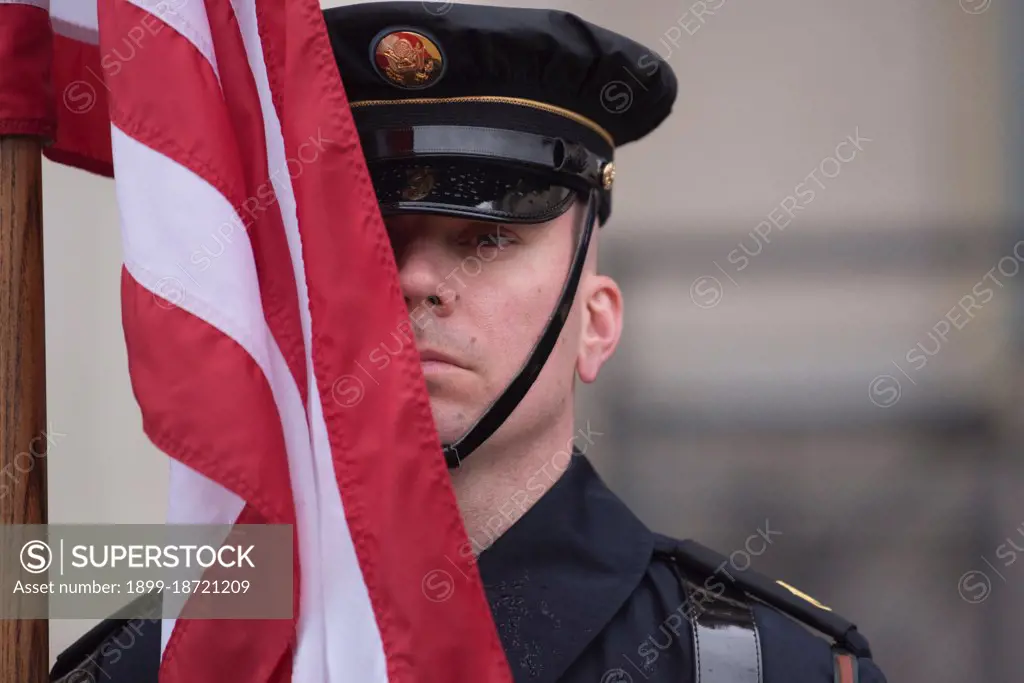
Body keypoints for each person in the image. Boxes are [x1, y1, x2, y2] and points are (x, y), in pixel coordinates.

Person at [51, 3, 888, 683]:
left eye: (484, 239)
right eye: (368, 237)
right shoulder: (161, 663)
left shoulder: (759, 667)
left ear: (595, 325)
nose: (416, 279)